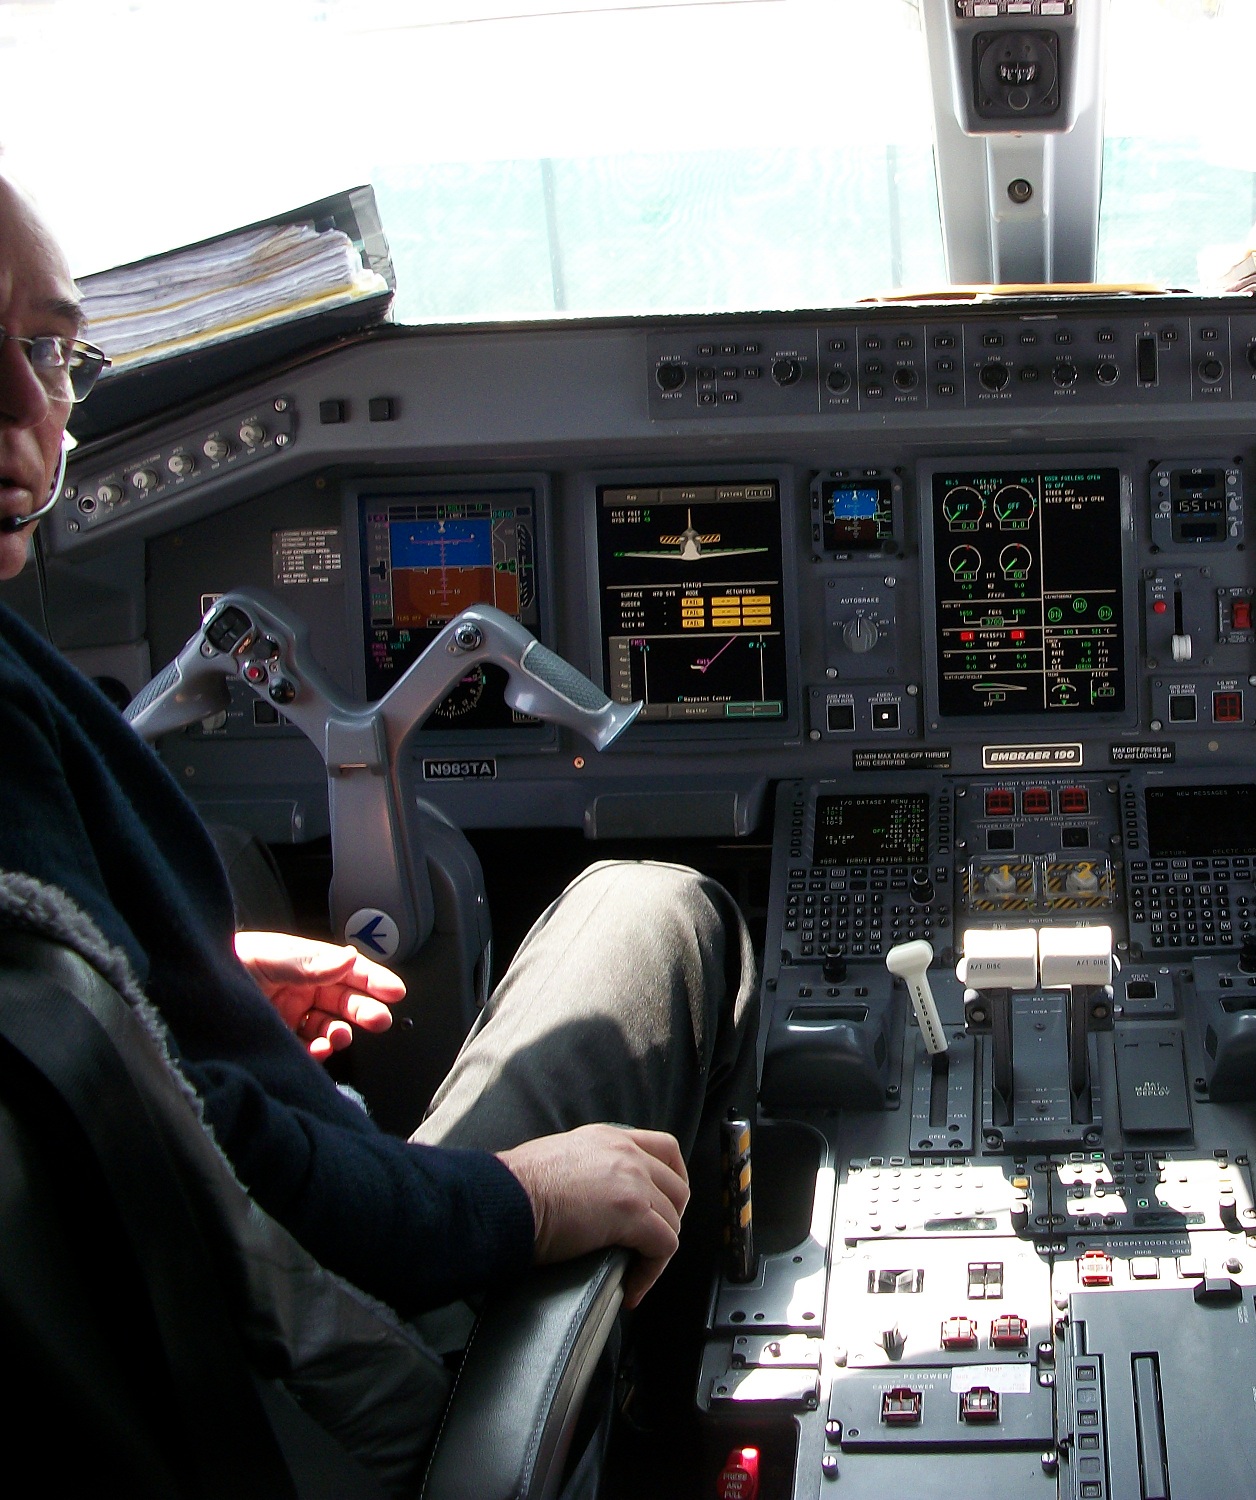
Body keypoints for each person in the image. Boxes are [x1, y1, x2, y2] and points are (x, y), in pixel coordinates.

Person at [0, 171, 755, 1319]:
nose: (24, 402)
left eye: (48, 348)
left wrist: (160, 998)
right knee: (655, 906)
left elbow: (80, 1057)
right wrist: (519, 1201)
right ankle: (635, 1373)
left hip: (248, 1300)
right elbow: (218, 1163)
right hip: (354, 1355)